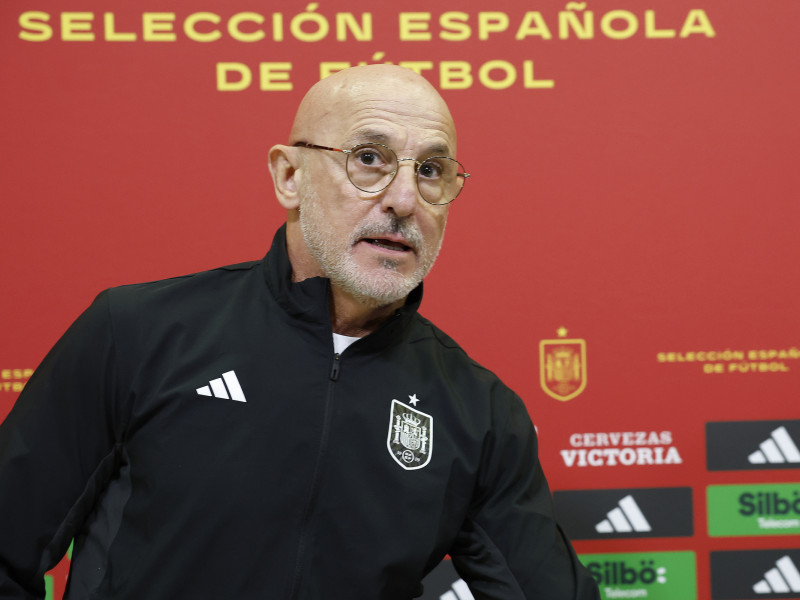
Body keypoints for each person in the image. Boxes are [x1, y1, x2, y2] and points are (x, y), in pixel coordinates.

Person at [0, 65, 599, 599]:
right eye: (369, 158)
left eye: (432, 171)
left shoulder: (480, 411)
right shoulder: (135, 332)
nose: (403, 199)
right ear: (289, 175)